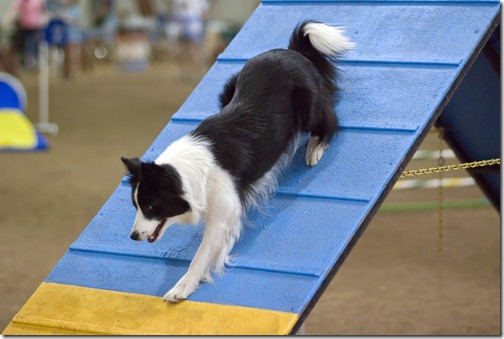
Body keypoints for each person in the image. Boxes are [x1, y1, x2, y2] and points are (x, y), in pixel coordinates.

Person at [3, 0, 47, 71]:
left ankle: (30, 58)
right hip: (23, 27)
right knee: (22, 43)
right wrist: (7, 23)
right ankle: (27, 58)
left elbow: (44, 11)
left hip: (34, 27)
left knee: (31, 42)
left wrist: (43, 22)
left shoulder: (38, 1)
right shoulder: (20, 1)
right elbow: (14, 11)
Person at [172, 0, 209, 73]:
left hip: (194, 27)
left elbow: (206, 13)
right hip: (182, 27)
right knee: (184, 50)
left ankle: (197, 70)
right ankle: (185, 71)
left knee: (195, 49)